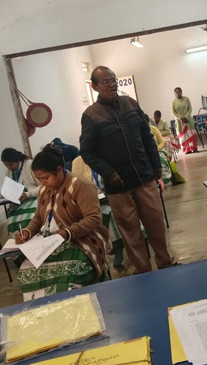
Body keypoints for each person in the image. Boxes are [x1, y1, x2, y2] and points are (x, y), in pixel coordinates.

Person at [80, 66, 175, 274]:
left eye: (113, 80)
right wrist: (109, 173)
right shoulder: (91, 116)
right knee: (131, 233)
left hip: (144, 177)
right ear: (94, 86)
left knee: (156, 224)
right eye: (106, 81)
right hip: (118, 186)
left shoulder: (130, 103)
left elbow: (147, 136)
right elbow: (87, 152)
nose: (112, 84)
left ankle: (166, 264)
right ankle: (144, 273)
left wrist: (156, 165)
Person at [14, 144, 110, 300]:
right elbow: (38, 217)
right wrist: (27, 232)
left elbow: (93, 218)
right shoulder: (44, 190)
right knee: (27, 272)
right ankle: (48, 309)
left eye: (45, 178)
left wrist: (67, 233)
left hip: (82, 240)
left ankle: (75, 306)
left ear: (59, 170)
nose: (42, 182)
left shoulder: (81, 185)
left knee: (70, 272)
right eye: (39, 179)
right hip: (51, 241)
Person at [171, 87, 198, 153]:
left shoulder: (186, 99)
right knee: (183, 137)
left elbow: (190, 109)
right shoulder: (173, 102)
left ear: (181, 92)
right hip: (179, 121)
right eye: (176, 92)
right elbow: (173, 112)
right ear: (174, 94)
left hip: (188, 120)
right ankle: (187, 150)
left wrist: (186, 117)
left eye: (179, 91)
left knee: (191, 133)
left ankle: (194, 148)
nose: (178, 93)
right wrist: (181, 118)